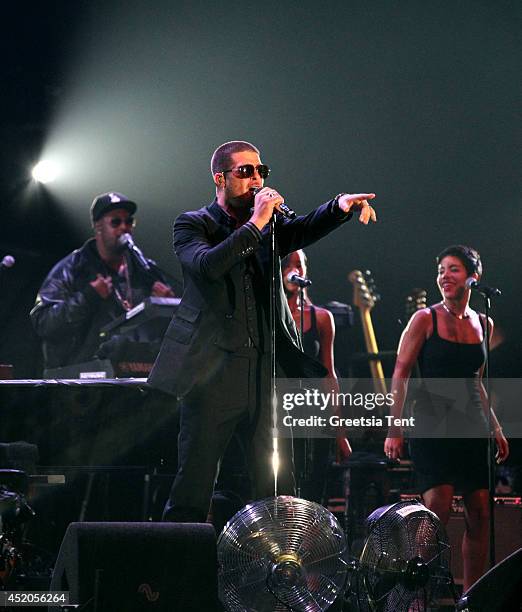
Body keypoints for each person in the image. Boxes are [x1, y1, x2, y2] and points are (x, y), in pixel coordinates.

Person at [148, 140, 376, 522]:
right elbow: (207, 266)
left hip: (265, 369)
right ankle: (182, 572)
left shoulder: (271, 227)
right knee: (195, 481)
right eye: (245, 172)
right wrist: (256, 222)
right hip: (212, 374)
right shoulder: (193, 224)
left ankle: (271, 571)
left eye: (261, 171)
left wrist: (339, 207)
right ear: (219, 178)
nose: (256, 179)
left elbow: (301, 229)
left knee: (274, 483)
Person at [383, 244, 509, 592]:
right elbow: (401, 371)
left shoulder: (484, 321)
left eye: (453, 269)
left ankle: (471, 596)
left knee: (481, 512)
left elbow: (476, 382)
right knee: (435, 510)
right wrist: (395, 428)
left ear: (473, 277)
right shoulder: (425, 318)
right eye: (441, 270)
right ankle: (413, 593)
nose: (444, 276)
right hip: (432, 424)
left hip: (471, 428)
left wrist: (496, 427)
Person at [31, 192, 174, 370]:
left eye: (129, 221)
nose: (124, 227)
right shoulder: (73, 268)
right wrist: (86, 297)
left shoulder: (145, 271)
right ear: (98, 226)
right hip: (80, 380)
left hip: (134, 375)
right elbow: (43, 323)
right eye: (116, 222)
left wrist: (166, 306)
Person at [282, 249, 351, 501]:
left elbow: (329, 375)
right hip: (278, 413)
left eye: (299, 264)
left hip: (314, 414)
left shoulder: (321, 318)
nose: (294, 270)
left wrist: (340, 431)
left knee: (313, 489)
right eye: (287, 264)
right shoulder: (267, 313)